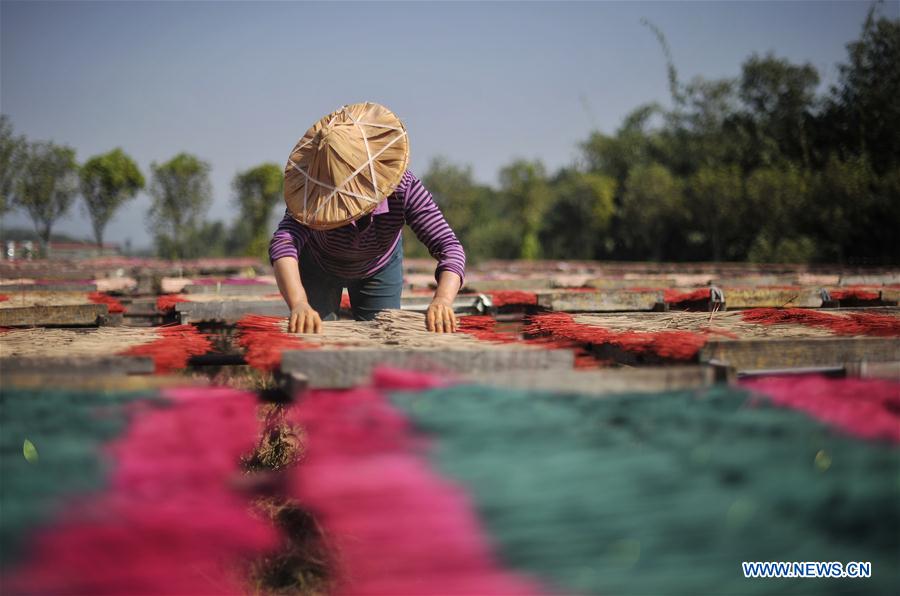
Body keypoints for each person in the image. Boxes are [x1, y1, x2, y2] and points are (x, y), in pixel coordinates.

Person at [269, 102, 465, 334]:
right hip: (319, 263)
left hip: (379, 264)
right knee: (312, 337)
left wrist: (442, 300)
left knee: (384, 337)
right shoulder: (310, 193)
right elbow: (284, 244)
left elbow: (449, 247)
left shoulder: (403, 187)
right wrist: (299, 303)